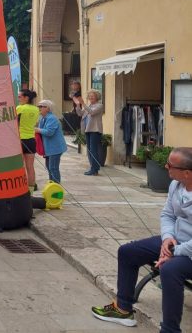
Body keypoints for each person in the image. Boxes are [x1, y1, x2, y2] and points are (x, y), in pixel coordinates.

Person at [92, 147, 192, 332]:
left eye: (170, 164)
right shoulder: (175, 186)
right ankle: (123, 309)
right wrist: (168, 239)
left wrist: (173, 252)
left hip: (187, 251)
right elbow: (167, 215)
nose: (165, 166)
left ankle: (170, 330)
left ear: (186, 173)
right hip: (175, 243)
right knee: (128, 252)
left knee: (170, 270)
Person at [34, 99, 67, 184]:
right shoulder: (43, 118)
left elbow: (49, 132)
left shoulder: (51, 118)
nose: (39, 108)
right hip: (49, 148)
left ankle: (56, 186)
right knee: (49, 167)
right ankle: (52, 184)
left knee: (53, 167)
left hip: (55, 148)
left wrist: (37, 130)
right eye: (39, 106)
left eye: (41, 106)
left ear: (48, 108)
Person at [75, 89, 104, 176]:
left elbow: (91, 112)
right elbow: (80, 114)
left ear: (97, 97)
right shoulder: (89, 106)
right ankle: (93, 168)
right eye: (90, 96)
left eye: (93, 96)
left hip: (95, 130)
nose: (91, 97)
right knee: (90, 150)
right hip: (88, 130)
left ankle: (94, 169)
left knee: (93, 150)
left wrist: (83, 103)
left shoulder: (99, 105)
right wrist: (78, 105)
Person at [16, 89, 40, 193]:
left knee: (19, 167)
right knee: (30, 167)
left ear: (27, 98)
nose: (18, 99)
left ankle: (20, 189)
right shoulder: (36, 109)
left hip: (20, 139)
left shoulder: (20, 108)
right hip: (31, 139)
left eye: (20, 97)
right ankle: (30, 190)